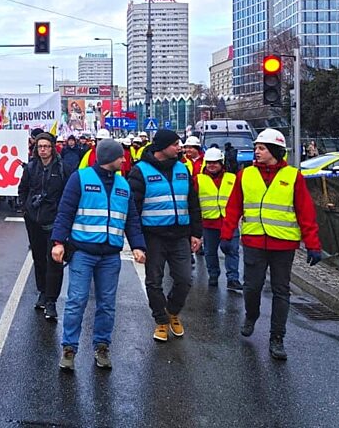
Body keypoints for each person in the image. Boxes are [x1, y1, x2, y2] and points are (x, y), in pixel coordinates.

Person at [221, 128, 322, 361]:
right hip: (254, 241)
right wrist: (227, 236)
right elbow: (233, 207)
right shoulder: (245, 175)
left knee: (281, 291)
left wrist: (313, 244)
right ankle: (251, 315)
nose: (256, 151)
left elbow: (306, 213)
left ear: (275, 151)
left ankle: (277, 337)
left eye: (262, 148)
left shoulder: (293, 176)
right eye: (256, 148)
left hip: (283, 244)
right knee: (251, 287)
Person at [51, 139, 146, 371]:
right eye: (120, 156)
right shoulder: (80, 178)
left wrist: (138, 245)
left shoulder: (123, 184)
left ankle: (102, 346)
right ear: (109, 158)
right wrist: (58, 242)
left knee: (107, 304)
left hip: (110, 255)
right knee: (76, 301)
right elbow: (65, 212)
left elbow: (131, 219)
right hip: (83, 252)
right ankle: (69, 348)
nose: (124, 159)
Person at [127, 129, 203, 343]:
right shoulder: (140, 171)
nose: (180, 148)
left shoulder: (182, 168)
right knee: (154, 281)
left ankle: (172, 312)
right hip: (154, 236)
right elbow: (133, 210)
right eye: (175, 144)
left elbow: (193, 202)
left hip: (180, 235)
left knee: (185, 280)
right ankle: (161, 320)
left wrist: (196, 233)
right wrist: (137, 243)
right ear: (162, 147)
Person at [18, 132, 67, 321]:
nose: (43, 150)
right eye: (40, 146)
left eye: (46, 146)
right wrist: (25, 208)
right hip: (33, 220)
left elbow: (68, 193)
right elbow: (23, 189)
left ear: (52, 148)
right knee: (38, 258)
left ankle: (51, 300)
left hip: (55, 220)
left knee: (54, 260)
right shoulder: (31, 167)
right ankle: (42, 292)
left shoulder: (62, 168)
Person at [194, 147, 241, 290]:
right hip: (209, 222)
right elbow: (193, 202)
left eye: (215, 163)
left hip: (229, 222)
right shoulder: (198, 179)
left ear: (221, 163)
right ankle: (213, 275)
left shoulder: (232, 178)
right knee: (210, 252)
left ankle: (233, 278)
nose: (211, 165)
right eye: (209, 163)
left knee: (232, 250)